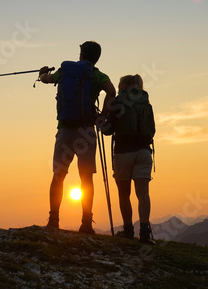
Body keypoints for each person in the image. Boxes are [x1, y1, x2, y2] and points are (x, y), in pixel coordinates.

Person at [39, 41, 116, 234]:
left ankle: (54, 220)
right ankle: (86, 223)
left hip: (65, 129)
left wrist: (41, 74)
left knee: (58, 175)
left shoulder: (65, 71)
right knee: (86, 178)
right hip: (86, 131)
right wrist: (103, 115)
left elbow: (47, 79)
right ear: (97, 57)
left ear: (81, 54)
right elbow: (112, 91)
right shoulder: (98, 75)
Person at [101, 74, 156, 244]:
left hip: (123, 152)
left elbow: (108, 130)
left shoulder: (118, 103)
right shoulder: (146, 103)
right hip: (144, 152)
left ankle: (128, 230)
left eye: (119, 86)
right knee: (143, 193)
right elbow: (152, 130)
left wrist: (101, 122)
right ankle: (145, 232)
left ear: (124, 86)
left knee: (124, 194)